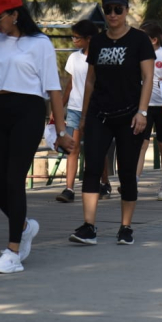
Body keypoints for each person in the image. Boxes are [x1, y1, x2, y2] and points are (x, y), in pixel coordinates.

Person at [0, 0, 71, 274]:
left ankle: (13, 252)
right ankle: (23, 227)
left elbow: (54, 90)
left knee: (14, 180)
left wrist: (60, 131)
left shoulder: (40, 43)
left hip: (28, 111)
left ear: (15, 14)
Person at [66, 0, 155, 248]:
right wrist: (83, 115)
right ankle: (88, 226)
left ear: (126, 10)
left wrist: (143, 112)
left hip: (129, 115)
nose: (113, 14)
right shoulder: (97, 42)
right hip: (99, 114)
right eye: (108, 10)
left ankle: (126, 227)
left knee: (127, 172)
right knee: (92, 166)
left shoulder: (139, 40)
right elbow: (91, 80)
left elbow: (148, 77)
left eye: (118, 9)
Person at [55, 19, 99, 203]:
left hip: (94, 109)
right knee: (72, 148)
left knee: (95, 150)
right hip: (74, 108)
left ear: (88, 38)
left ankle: (102, 182)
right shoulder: (74, 58)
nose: (73, 40)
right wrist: (60, 107)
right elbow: (71, 84)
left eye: (77, 37)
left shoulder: (98, 57)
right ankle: (69, 188)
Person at [141, 21, 162, 200]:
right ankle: (132, 181)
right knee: (141, 143)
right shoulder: (138, 54)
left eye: (144, 37)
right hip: (144, 106)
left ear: (154, 40)